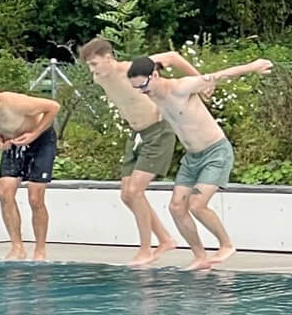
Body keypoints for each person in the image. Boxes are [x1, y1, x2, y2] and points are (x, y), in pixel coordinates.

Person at [126, 53, 273, 272]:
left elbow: (219, 75)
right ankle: (200, 256)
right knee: (176, 207)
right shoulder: (154, 94)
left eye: (144, 86)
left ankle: (226, 244)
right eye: (138, 89)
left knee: (197, 205)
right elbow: (154, 60)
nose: (143, 92)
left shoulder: (181, 87)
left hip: (215, 152)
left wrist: (252, 66)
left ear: (155, 75)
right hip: (192, 158)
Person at [77, 37, 201, 265]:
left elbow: (172, 58)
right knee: (126, 195)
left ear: (108, 58)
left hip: (158, 131)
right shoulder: (99, 77)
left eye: (94, 64)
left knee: (135, 191)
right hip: (136, 135)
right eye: (89, 66)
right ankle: (165, 239)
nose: (91, 70)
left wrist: (203, 82)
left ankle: (146, 249)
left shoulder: (129, 70)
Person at [0, 70, 62, 261]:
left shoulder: (16, 102)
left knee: (35, 197)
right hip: (14, 142)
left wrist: (34, 134)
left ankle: (40, 250)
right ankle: (17, 247)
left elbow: (54, 107)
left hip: (40, 139)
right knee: (4, 193)